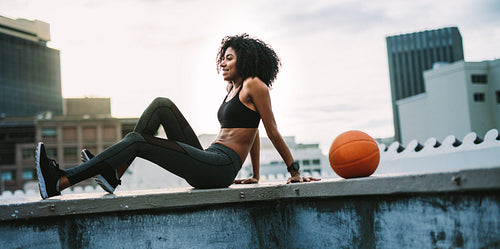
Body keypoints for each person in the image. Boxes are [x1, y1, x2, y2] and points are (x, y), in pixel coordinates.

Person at [35, 33, 320, 199]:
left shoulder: (255, 84)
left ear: (245, 60)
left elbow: (269, 129)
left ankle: (60, 182)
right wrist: (255, 175)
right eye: (223, 56)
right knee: (162, 104)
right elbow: (251, 130)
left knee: (137, 140)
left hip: (219, 167)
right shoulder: (233, 89)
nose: (222, 61)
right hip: (210, 157)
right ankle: (115, 173)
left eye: (229, 57)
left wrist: (294, 171)